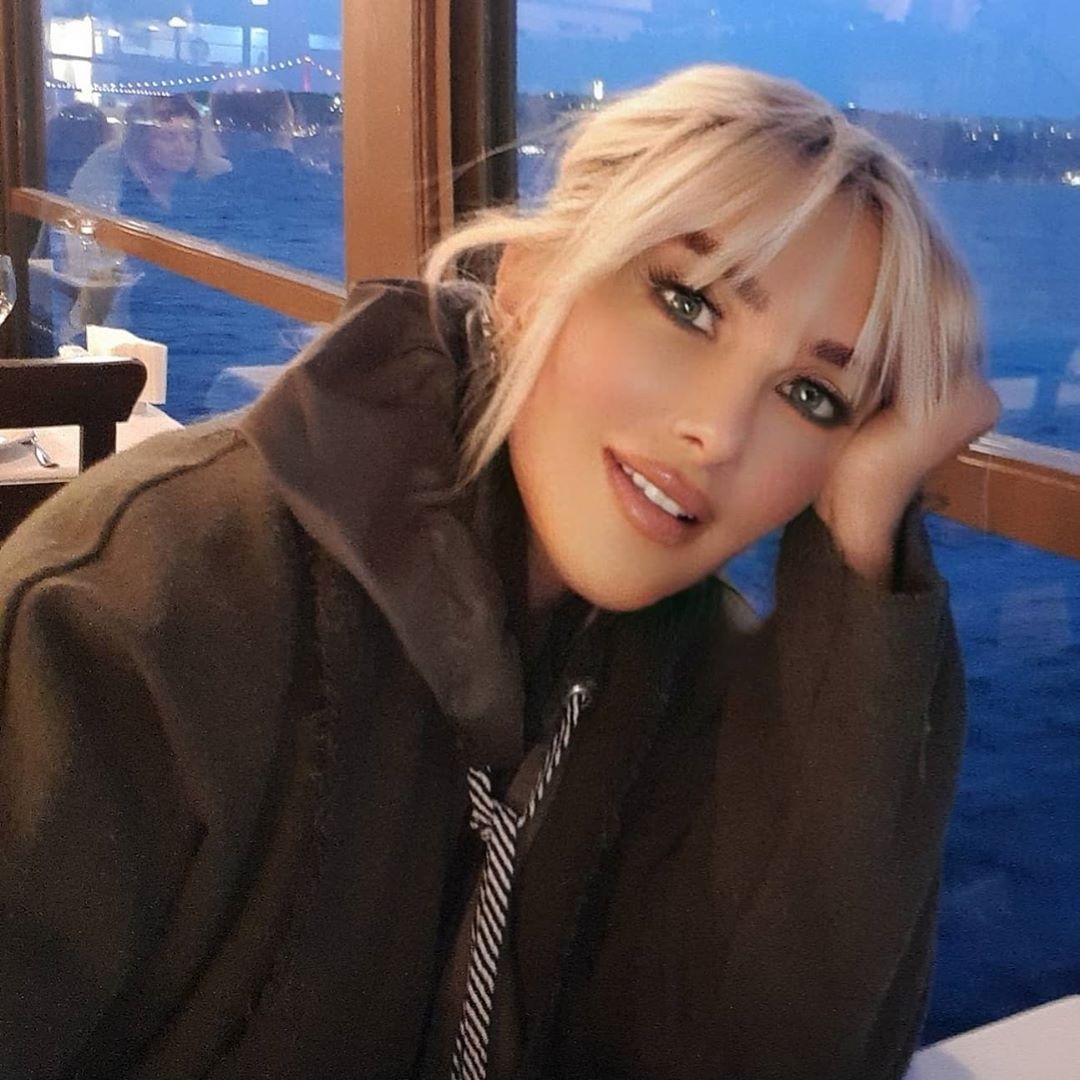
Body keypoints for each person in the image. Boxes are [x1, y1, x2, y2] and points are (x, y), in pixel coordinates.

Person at [0, 65, 999, 1079]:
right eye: (689, 306)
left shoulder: (695, 682)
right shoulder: (139, 608)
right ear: (530, 283)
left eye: (813, 396)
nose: (719, 432)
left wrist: (863, 544)